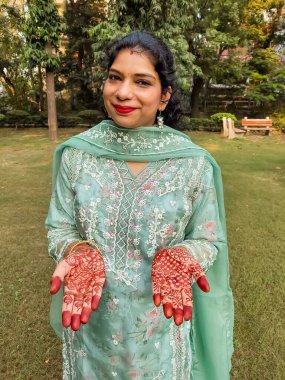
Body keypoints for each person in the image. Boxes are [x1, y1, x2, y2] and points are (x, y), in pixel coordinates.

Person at [46, 31, 234, 380]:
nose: (122, 92)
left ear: (164, 96)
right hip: (90, 325)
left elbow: (210, 239)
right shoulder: (77, 156)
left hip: (162, 325)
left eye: (141, 81)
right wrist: (77, 250)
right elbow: (59, 225)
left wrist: (181, 257)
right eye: (115, 77)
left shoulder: (192, 164)